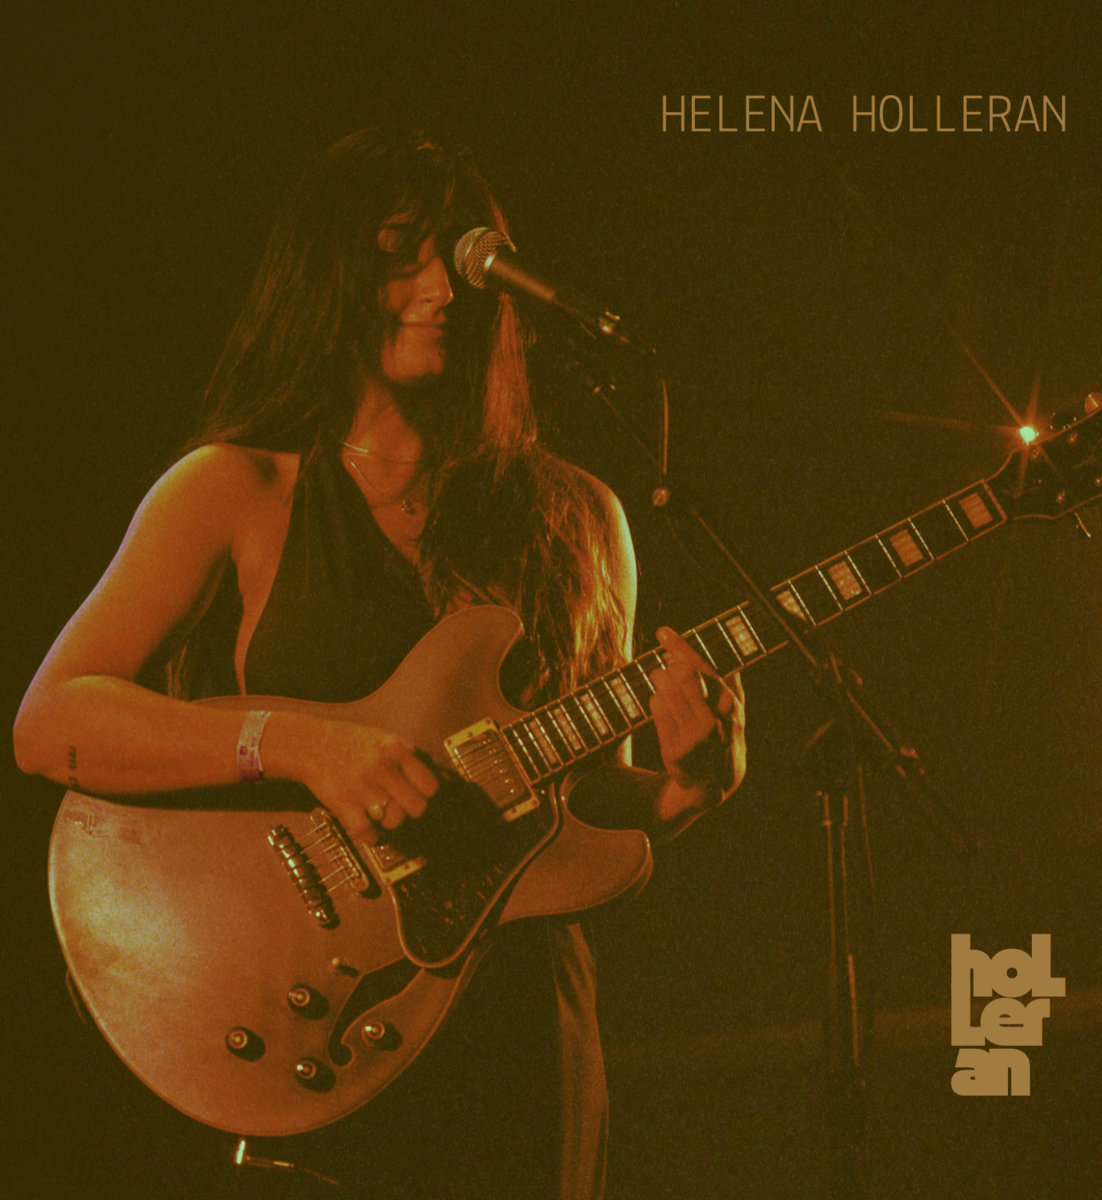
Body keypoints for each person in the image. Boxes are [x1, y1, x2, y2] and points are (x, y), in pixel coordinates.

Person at [13, 128, 745, 1199]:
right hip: (308, 1000)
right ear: (332, 275)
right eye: (405, 256)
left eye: (464, 258)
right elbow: (52, 722)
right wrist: (300, 744)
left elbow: (587, 796)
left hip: (515, 1026)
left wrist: (686, 788)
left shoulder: (577, 516)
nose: (442, 288)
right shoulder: (237, 488)